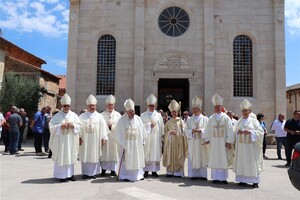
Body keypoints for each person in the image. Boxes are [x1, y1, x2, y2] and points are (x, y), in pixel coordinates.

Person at [49, 94, 82, 182]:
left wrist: (73, 125)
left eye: (68, 106)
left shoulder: (74, 115)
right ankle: (61, 176)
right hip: (61, 142)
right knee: (62, 156)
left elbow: (79, 126)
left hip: (70, 141)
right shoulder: (57, 116)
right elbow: (51, 127)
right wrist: (60, 126)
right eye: (65, 106)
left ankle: (70, 175)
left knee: (70, 155)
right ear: (61, 106)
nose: (66, 107)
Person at [203, 93, 234, 184]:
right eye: (216, 107)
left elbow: (230, 130)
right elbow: (207, 129)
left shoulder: (226, 118)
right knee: (215, 159)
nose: (217, 108)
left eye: (219, 107)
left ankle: (223, 178)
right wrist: (207, 139)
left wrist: (228, 141)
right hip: (214, 143)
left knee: (223, 159)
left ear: (222, 107)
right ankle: (215, 178)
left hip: (222, 143)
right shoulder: (211, 118)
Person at [233, 99, 264, 188]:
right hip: (242, 146)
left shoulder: (254, 121)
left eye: (246, 111)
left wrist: (250, 132)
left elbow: (260, 132)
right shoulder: (239, 121)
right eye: (243, 111)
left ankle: (254, 181)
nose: (244, 112)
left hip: (251, 147)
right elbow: (234, 130)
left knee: (252, 162)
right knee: (242, 161)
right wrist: (237, 132)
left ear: (249, 111)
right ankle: (242, 180)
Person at [115, 99, 147, 182]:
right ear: (126, 111)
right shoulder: (121, 120)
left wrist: (142, 142)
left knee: (137, 158)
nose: (132, 113)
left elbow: (142, 132)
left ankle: (138, 175)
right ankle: (125, 175)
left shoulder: (138, 119)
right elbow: (118, 133)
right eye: (130, 112)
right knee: (127, 160)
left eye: (133, 111)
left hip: (136, 144)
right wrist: (123, 144)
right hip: (126, 145)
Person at [79, 94, 109, 179]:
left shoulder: (99, 117)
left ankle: (94, 173)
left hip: (96, 140)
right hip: (85, 140)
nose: (92, 107)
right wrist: (79, 137)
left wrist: (104, 137)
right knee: (85, 155)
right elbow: (79, 127)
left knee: (94, 155)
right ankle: (85, 173)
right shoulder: (82, 116)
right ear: (87, 106)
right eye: (90, 105)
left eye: (94, 105)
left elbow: (103, 128)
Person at [184, 96, 209, 180]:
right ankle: (193, 175)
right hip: (193, 142)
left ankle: (203, 175)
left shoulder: (205, 119)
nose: (194, 110)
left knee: (202, 157)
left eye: (196, 108)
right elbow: (186, 129)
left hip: (202, 142)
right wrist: (191, 131)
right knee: (193, 157)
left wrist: (201, 131)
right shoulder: (189, 120)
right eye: (193, 108)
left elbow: (208, 130)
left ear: (200, 109)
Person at [141, 94, 164, 178]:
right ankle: (146, 171)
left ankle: (154, 171)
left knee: (155, 153)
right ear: (147, 105)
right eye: (150, 106)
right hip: (147, 138)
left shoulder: (158, 115)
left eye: (153, 106)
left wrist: (162, 137)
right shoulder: (143, 115)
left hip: (155, 138)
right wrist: (149, 125)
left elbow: (162, 127)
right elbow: (141, 127)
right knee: (147, 153)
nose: (151, 107)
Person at [163, 99, 187, 178]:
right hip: (170, 143)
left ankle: (178, 172)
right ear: (170, 112)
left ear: (177, 112)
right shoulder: (168, 123)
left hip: (178, 142)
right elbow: (165, 133)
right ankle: (170, 171)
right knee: (170, 155)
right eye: (172, 112)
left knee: (178, 155)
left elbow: (185, 133)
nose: (174, 113)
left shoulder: (181, 122)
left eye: (175, 112)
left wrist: (181, 129)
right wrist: (170, 132)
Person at [100, 95, 121, 177]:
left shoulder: (118, 115)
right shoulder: (101, 115)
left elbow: (120, 127)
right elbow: (100, 126)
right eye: (109, 105)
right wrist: (106, 125)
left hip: (114, 138)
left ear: (114, 105)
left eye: (111, 105)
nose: (110, 106)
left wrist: (112, 126)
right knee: (104, 153)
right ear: (106, 105)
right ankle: (103, 170)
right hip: (105, 137)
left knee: (113, 153)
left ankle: (113, 170)